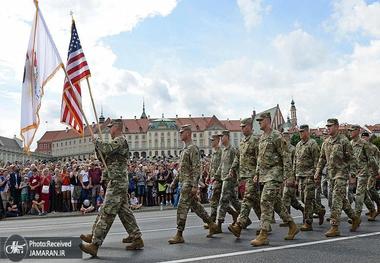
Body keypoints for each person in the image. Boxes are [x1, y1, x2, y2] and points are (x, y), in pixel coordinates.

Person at [79, 119, 143, 257]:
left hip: (117, 182)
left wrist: (97, 142)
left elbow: (107, 148)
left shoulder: (120, 141)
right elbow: (103, 157)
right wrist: (97, 147)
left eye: (110, 127)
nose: (109, 130)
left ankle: (95, 244)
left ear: (117, 127)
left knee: (107, 212)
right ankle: (137, 238)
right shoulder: (115, 143)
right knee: (124, 212)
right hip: (116, 181)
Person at [251, 112, 299, 246]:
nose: (259, 122)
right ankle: (292, 225)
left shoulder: (276, 136)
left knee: (265, 200)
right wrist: (257, 173)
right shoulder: (262, 138)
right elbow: (260, 158)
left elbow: (286, 156)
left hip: (275, 174)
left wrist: (289, 176)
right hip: (264, 175)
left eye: (261, 120)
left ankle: (263, 234)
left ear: (267, 120)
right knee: (277, 203)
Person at [168, 124, 218, 244]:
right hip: (183, 182)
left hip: (189, 183)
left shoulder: (193, 148)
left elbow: (197, 168)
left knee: (182, 207)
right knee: (195, 206)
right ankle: (212, 224)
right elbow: (181, 169)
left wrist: (195, 185)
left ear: (188, 133)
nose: (180, 134)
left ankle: (179, 234)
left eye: (182, 132)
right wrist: (174, 182)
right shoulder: (185, 149)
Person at [314, 118, 361, 237]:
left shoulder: (344, 141)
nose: (328, 128)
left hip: (341, 174)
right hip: (331, 175)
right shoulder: (326, 142)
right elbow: (322, 159)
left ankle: (335, 227)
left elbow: (352, 159)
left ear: (337, 127)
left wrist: (353, 174)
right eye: (327, 126)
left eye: (330, 126)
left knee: (335, 199)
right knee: (342, 200)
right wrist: (318, 172)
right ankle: (355, 218)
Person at [228, 117, 260, 238]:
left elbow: (260, 158)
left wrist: (257, 173)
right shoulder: (242, 141)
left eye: (243, 126)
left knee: (247, 199)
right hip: (245, 176)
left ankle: (239, 225)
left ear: (249, 126)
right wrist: (232, 169)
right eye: (241, 127)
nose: (241, 129)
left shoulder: (256, 139)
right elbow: (238, 157)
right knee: (256, 202)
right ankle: (265, 224)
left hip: (253, 175)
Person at [294, 125, 325, 231]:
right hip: (300, 175)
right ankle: (319, 210)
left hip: (310, 175)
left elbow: (317, 161)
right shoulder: (298, 145)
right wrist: (295, 176)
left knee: (307, 199)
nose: (300, 133)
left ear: (307, 132)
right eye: (299, 132)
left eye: (302, 131)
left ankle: (308, 222)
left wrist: (317, 175)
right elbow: (295, 161)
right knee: (303, 198)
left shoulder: (312, 143)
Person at [349, 125, 378, 220]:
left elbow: (372, 159)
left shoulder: (365, 144)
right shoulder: (350, 143)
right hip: (355, 172)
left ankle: (356, 217)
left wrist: (376, 171)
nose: (350, 132)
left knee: (359, 193)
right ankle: (372, 209)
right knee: (364, 193)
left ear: (358, 131)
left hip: (364, 172)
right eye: (349, 130)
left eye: (352, 130)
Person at [215, 130, 240, 233]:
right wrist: (215, 176)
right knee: (234, 202)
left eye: (222, 137)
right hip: (223, 177)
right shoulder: (224, 150)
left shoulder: (232, 150)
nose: (221, 139)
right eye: (220, 137)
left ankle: (219, 224)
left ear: (227, 137)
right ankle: (245, 218)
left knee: (223, 200)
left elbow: (237, 163)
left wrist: (237, 179)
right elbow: (221, 165)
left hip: (229, 179)